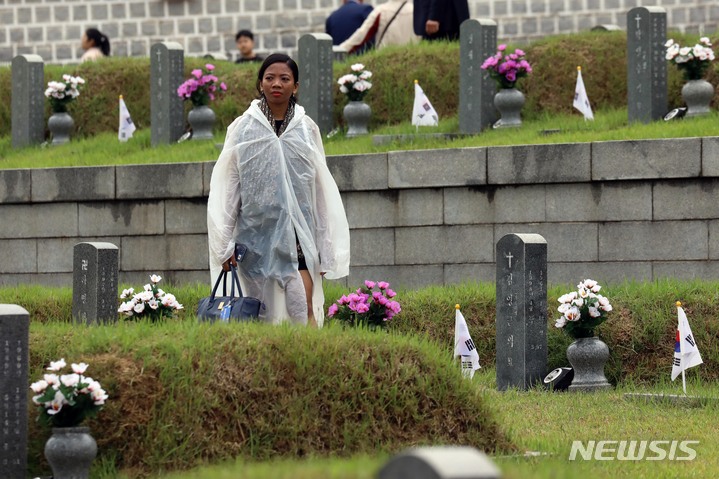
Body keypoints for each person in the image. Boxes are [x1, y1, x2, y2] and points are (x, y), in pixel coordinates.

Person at [207, 53, 350, 327]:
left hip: (299, 233)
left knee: (303, 308)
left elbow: (318, 190)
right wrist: (223, 245)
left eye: (285, 79)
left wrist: (325, 246)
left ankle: (306, 360)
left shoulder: (306, 129)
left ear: (295, 86)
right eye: (270, 78)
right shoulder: (243, 128)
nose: (277, 84)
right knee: (259, 312)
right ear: (260, 83)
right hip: (254, 234)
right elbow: (230, 189)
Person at [339, 0, 419, 54]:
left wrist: (339, 51)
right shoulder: (417, 11)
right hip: (412, 62)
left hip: (386, 61)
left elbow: (360, 37)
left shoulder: (381, 11)